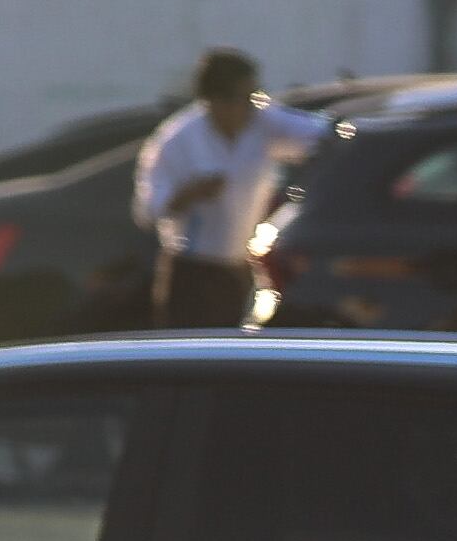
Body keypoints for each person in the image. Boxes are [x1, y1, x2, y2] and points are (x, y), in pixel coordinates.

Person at [133, 48, 320, 330]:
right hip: (193, 271)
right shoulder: (177, 140)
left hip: (243, 266)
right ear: (212, 101)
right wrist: (189, 194)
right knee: (192, 358)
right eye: (240, 99)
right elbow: (147, 211)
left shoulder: (263, 122)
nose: (250, 107)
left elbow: (318, 134)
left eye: (254, 96)